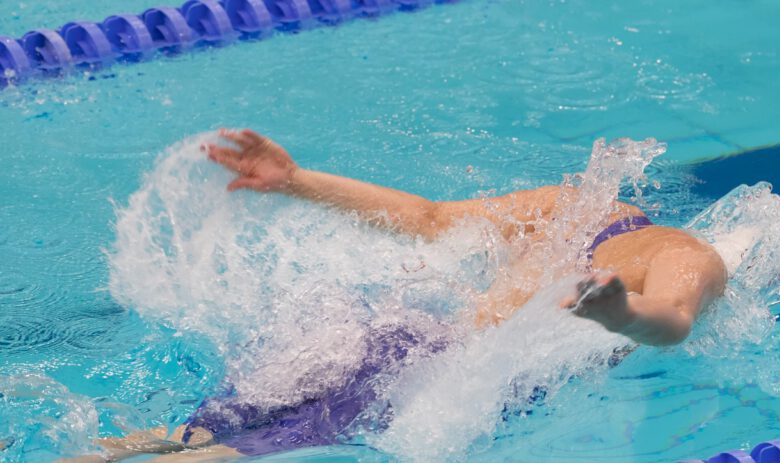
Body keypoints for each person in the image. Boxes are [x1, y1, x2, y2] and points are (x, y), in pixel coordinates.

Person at [75, 129, 727, 462]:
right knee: (194, 430)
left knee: (226, 450)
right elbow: (431, 218)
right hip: (414, 345)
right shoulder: (578, 209)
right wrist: (296, 179)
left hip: (455, 381)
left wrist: (620, 313)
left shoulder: (685, 253)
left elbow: (674, 319)